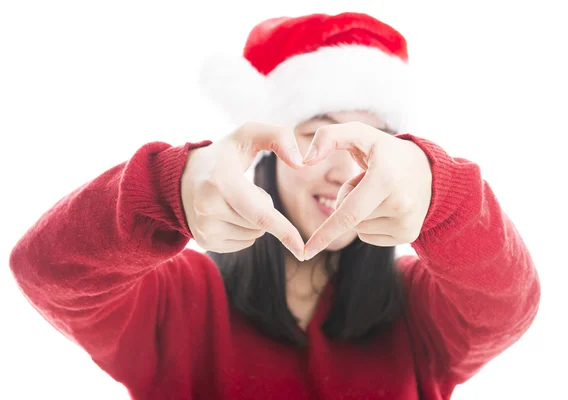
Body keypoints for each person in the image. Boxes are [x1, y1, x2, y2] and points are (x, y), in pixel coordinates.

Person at [9, 12, 540, 400]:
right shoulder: (183, 299)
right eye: (317, 136)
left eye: (369, 145)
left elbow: (508, 305)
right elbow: (45, 269)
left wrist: (441, 194)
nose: (345, 169)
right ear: (270, 152)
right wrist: (165, 189)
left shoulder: (417, 307)